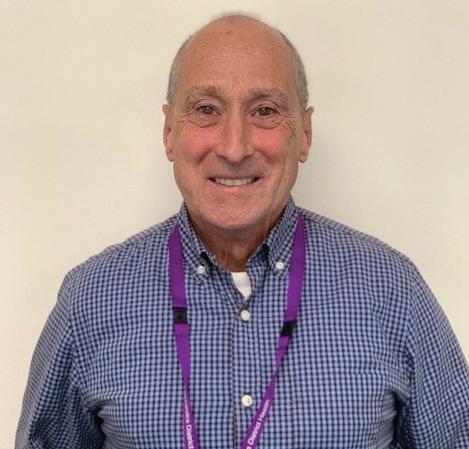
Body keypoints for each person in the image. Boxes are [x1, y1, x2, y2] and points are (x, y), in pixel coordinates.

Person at [16, 14, 469, 449]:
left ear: (304, 134)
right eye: (206, 109)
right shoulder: (90, 301)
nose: (234, 147)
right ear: (169, 131)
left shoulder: (393, 291)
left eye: (265, 111)